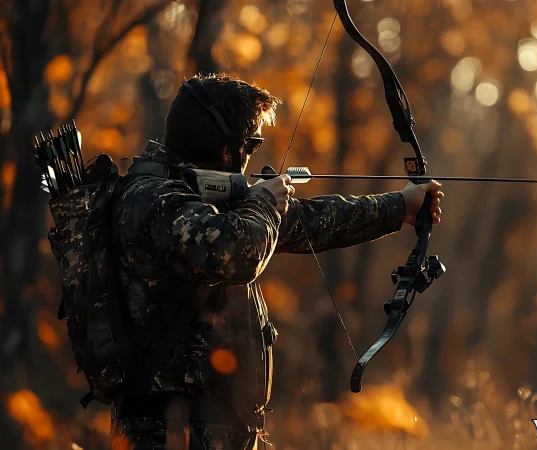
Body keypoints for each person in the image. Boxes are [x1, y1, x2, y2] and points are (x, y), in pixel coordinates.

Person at [109, 74, 444, 449]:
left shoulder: (204, 206)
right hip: (172, 432)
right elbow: (239, 255)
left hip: (212, 430)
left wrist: (400, 206)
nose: (251, 155)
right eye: (251, 143)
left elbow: (310, 223)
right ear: (226, 150)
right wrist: (265, 202)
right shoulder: (156, 201)